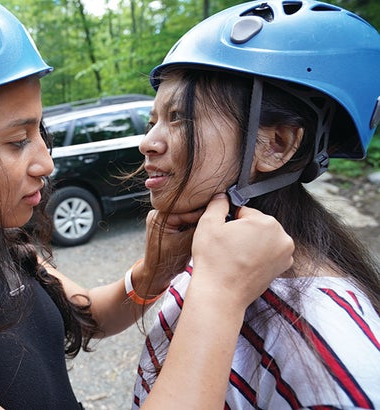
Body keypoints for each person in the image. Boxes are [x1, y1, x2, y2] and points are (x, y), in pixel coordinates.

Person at [0, 0, 293, 408]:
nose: (46, 162)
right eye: (18, 141)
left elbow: (89, 314)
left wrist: (153, 271)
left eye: (39, 132)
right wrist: (220, 293)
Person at [131, 0, 380, 408]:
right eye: (153, 119)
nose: (147, 142)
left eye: (180, 117)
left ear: (276, 145)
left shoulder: (330, 353)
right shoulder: (220, 257)